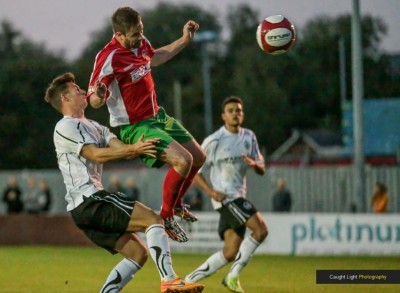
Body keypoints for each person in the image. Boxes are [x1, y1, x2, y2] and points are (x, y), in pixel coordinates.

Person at [44, 72, 204, 293]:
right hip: (90, 200)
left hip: (84, 208)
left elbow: (122, 150)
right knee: (153, 219)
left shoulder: (93, 126)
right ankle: (169, 280)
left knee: (138, 254)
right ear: (65, 98)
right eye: (76, 89)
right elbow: (95, 155)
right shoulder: (66, 126)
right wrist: (134, 149)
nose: (82, 91)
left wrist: (143, 145)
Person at [87, 7, 206, 243]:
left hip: (157, 116)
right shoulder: (108, 57)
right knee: (183, 161)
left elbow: (155, 57)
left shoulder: (139, 43)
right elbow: (93, 100)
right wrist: (100, 95)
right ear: (119, 35)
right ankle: (167, 217)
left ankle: (177, 204)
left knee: (199, 157)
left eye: (141, 31)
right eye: (134, 34)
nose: (140, 37)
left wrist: (184, 39)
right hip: (134, 126)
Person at [184, 96, 268, 293]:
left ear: (242, 114)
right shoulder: (214, 141)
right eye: (231, 110)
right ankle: (233, 276)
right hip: (227, 198)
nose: (235, 113)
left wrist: (255, 165)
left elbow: (262, 167)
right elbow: (195, 171)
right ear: (223, 116)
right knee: (261, 230)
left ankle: (189, 280)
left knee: (230, 252)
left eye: (238, 110)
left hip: (238, 197)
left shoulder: (249, 137)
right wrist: (211, 192)